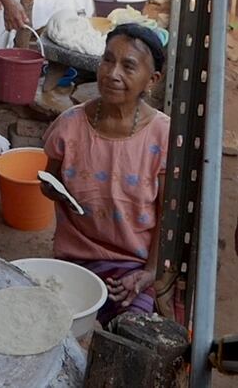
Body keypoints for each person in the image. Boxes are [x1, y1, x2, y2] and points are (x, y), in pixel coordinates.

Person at [41, 24, 170, 325]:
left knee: (130, 338)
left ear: (152, 80)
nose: (112, 73)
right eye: (108, 60)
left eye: (128, 66)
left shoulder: (163, 136)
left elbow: (168, 214)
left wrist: (149, 273)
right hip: (76, 260)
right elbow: (49, 183)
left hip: (133, 265)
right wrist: (55, 190)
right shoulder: (69, 125)